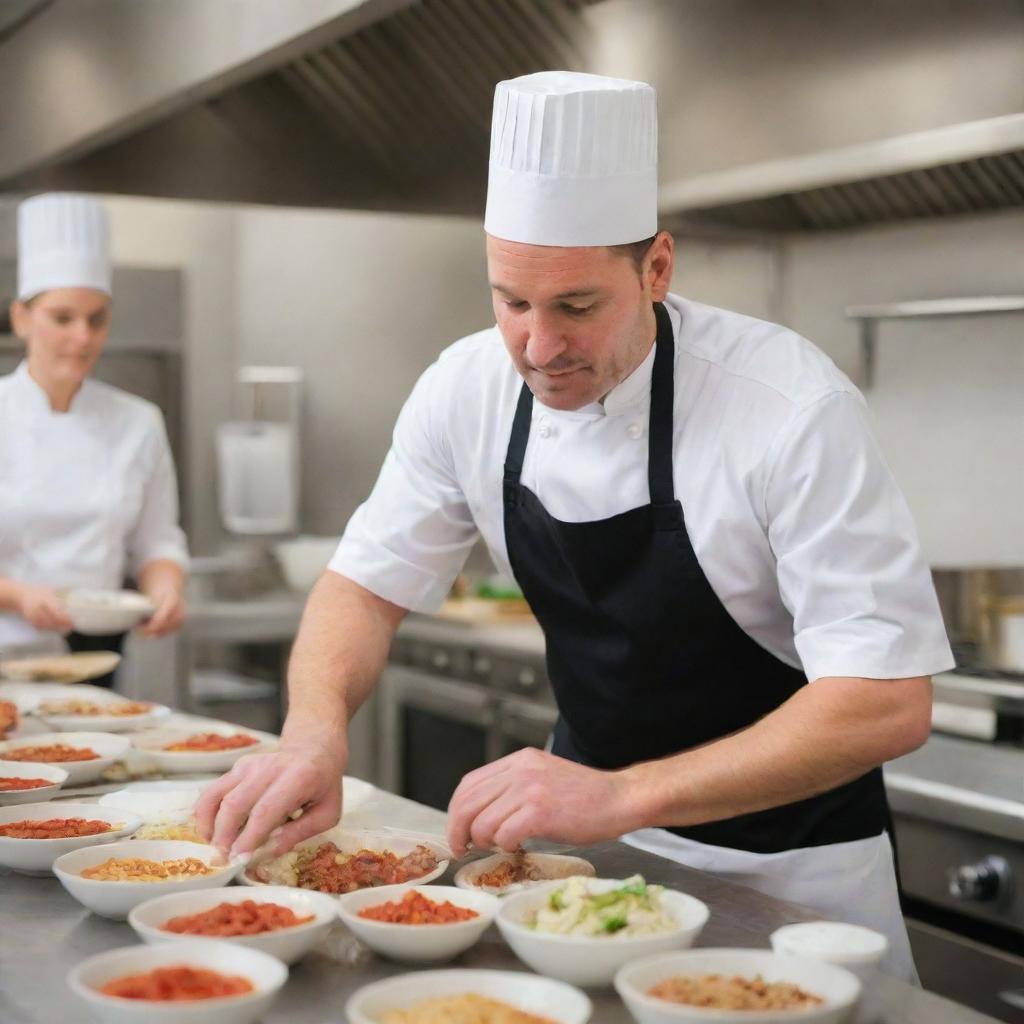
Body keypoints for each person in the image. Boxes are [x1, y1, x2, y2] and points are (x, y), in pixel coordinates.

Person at [196, 72, 952, 979]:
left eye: (577, 308)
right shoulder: (466, 388)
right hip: (578, 876)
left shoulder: (788, 406)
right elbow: (365, 581)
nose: (539, 348)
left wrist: (624, 794)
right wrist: (313, 728)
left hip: (790, 882)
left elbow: (886, 701)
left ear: (657, 268)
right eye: (511, 302)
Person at [0, 193, 189, 683]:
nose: (82, 337)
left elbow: (158, 541)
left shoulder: (139, 421)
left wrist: (166, 588)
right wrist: (19, 595)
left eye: (96, 318)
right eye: (62, 318)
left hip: (94, 663)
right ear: (22, 318)